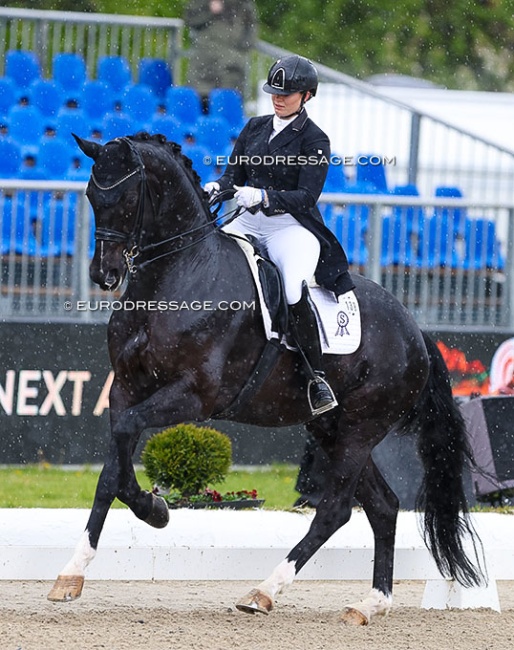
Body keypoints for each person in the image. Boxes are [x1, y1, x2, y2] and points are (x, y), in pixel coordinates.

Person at [205, 55, 355, 416]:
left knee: (291, 287)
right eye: (275, 91)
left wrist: (265, 196)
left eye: (287, 94)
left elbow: (307, 196)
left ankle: (315, 377)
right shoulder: (254, 127)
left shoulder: (314, 140)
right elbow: (232, 176)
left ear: (306, 96)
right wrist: (217, 186)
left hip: (291, 227)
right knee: (208, 260)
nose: (278, 98)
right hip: (246, 221)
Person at [184, 0, 257, 112]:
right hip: (205, 65)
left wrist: (242, 47)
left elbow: (251, 25)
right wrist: (210, 10)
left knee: (229, 109)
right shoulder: (202, 3)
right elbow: (190, 19)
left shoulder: (244, 3)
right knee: (201, 107)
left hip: (232, 67)